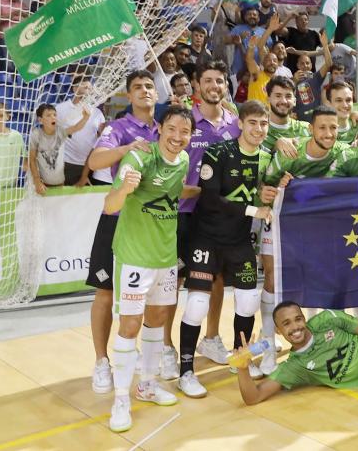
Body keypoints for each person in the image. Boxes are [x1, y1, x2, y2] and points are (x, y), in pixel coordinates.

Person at [104, 105, 195, 432]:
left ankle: (147, 384)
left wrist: (203, 193)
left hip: (165, 258)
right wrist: (125, 188)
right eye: (172, 129)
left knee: (157, 323)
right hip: (134, 257)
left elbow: (174, 193)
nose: (177, 137)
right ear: (160, 128)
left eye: (184, 132)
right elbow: (109, 204)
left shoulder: (183, 160)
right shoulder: (140, 158)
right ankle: (121, 400)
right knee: (130, 326)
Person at [178, 100, 275, 395]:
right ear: (241, 124)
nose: (258, 129)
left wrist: (271, 190)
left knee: (248, 302)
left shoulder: (268, 157)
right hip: (206, 238)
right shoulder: (218, 152)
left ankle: (239, 357)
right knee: (197, 305)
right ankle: (185, 372)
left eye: (264, 124)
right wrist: (252, 210)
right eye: (253, 123)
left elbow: (268, 189)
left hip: (239, 240)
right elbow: (208, 199)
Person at [258, 105, 354, 374]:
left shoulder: (342, 152)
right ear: (310, 129)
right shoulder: (290, 152)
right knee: (271, 280)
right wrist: (277, 188)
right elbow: (262, 185)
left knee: (313, 279)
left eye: (333, 127)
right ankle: (267, 344)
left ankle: (314, 341)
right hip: (279, 222)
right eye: (322, 127)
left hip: (312, 227)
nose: (328, 132)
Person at [84, 70, 159, 394]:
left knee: (148, 294)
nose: (144, 90)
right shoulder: (118, 128)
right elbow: (96, 158)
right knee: (106, 292)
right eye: (138, 87)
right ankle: (101, 361)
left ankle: (135, 349)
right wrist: (128, 146)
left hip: (152, 223)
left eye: (149, 86)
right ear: (128, 96)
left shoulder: (166, 130)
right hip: (117, 217)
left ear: (157, 94)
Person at [175, 60, 241, 373]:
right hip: (184, 211)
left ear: (226, 86)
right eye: (209, 81)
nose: (215, 86)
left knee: (215, 278)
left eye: (220, 81)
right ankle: (165, 346)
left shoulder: (234, 123)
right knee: (173, 280)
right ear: (197, 85)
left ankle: (211, 337)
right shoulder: (185, 121)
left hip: (219, 215)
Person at [56, 75, 107, 187]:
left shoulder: (97, 112)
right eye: (85, 87)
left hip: (90, 164)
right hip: (66, 163)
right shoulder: (60, 109)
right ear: (74, 88)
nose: (88, 91)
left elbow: (102, 136)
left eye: (90, 88)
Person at [29, 103, 90, 194]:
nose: (53, 117)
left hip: (60, 182)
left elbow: (76, 128)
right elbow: (32, 159)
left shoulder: (60, 132)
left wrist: (86, 117)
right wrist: (37, 181)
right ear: (40, 120)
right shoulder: (36, 135)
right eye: (48, 115)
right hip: (42, 183)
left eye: (54, 115)